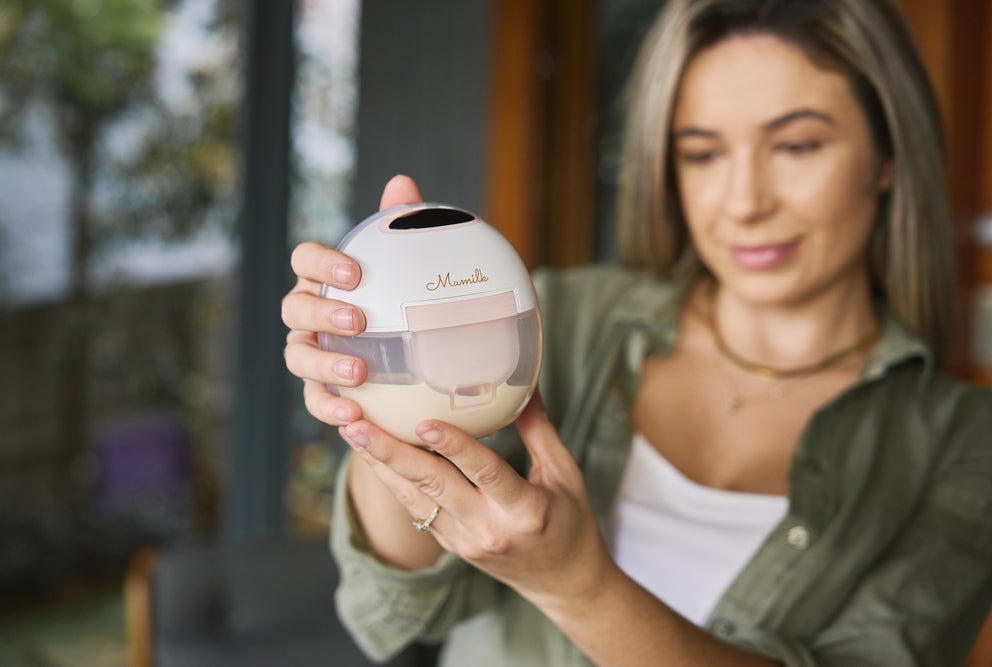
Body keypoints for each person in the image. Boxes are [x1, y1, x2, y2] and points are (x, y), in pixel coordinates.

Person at [281, 0, 992, 664]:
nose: (745, 201)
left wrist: (578, 584)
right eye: (703, 152)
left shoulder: (963, 445)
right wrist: (376, 411)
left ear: (889, 155)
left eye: (797, 145)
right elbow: (395, 608)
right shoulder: (557, 322)